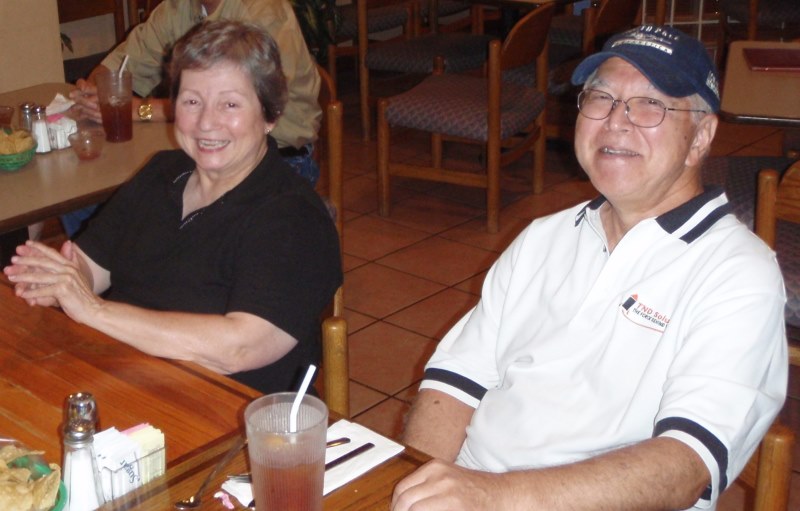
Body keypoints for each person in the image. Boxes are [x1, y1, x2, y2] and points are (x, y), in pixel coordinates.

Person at [391, 25, 788, 511]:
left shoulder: (738, 274)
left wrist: (491, 496)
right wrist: (420, 482)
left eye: (650, 104)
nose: (616, 121)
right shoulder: (544, 236)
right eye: (600, 97)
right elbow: (454, 382)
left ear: (700, 137)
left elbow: (684, 466)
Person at [3, 21, 341, 395]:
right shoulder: (161, 173)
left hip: (230, 418)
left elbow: (240, 347)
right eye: (192, 101)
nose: (206, 122)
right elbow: (89, 267)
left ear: (270, 114)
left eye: (229, 104)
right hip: (124, 381)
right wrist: (61, 278)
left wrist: (94, 310)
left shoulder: (293, 217)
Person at [63, 0, 322, 237]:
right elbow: (123, 63)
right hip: (204, 152)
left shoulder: (263, 11)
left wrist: (140, 109)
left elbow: (263, 103)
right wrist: (96, 90)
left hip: (279, 156)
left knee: (160, 224)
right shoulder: (176, 8)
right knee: (82, 199)